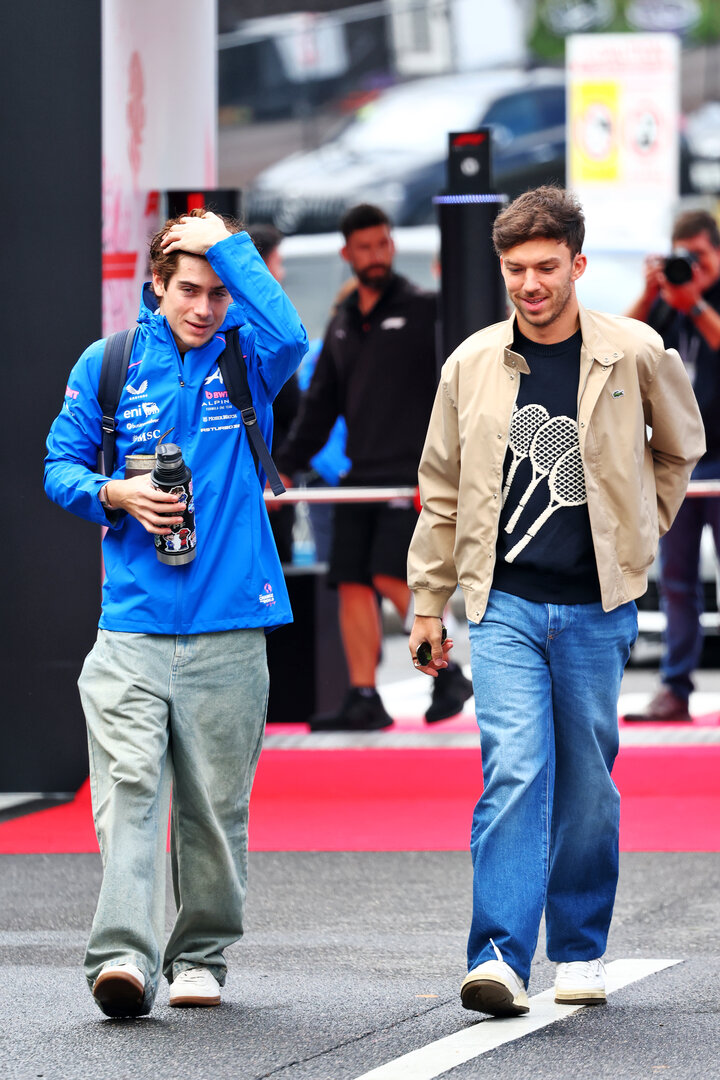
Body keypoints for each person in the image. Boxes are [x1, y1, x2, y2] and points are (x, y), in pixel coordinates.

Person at [407, 186, 704, 1016]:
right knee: (514, 767)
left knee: (587, 783)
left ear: (577, 263)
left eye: (545, 267)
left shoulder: (635, 350)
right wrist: (429, 603)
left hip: (596, 609)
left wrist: (637, 531)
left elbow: (681, 449)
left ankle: (579, 948)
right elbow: (440, 489)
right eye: (514, 270)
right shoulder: (470, 364)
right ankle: (499, 955)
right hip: (500, 603)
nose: (530, 284)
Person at [44, 209, 307, 1017]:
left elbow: (292, 334)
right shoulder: (111, 362)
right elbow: (58, 464)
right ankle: (122, 960)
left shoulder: (247, 358)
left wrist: (229, 246)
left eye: (219, 293)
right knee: (128, 795)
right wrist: (111, 493)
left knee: (216, 807)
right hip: (130, 626)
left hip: (231, 623)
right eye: (189, 289)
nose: (203, 307)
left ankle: (201, 956)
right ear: (156, 285)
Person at [275, 202, 472, 731]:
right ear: (348, 254)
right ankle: (364, 695)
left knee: (392, 574)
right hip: (359, 476)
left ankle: (447, 672)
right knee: (351, 582)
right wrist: (285, 467)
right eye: (364, 247)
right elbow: (319, 407)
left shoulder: (426, 309)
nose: (375, 254)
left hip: (412, 473)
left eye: (382, 243)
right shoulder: (342, 323)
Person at [624, 209, 720, 722]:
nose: (691, 267)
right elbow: (618, 343)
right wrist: (651, 293)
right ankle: (675, 690)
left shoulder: (704, 302)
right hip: (677, 463)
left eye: (699, 257)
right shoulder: (665, 305)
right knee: (676, 582)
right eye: (682, 258)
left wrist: (697, 302)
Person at [246, 223, 300, 563]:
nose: (281, 274)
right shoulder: (255, 334)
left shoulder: (270, 332)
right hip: (258, 482)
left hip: (271, 478)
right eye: (276, 264)